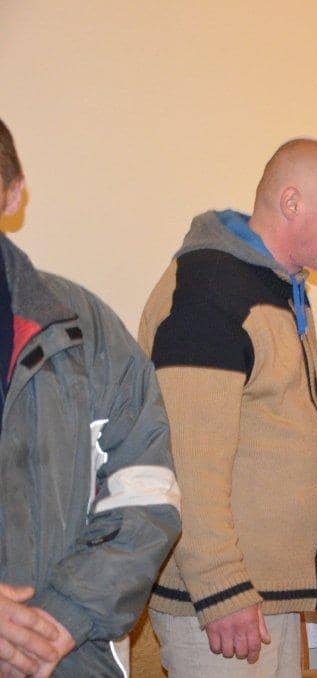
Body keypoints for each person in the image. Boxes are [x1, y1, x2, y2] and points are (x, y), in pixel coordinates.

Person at [138, 138, 317, 677]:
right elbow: (186, 460)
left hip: (263, 596)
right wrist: (221, 589)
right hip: (220, 604)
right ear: (291, 202)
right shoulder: (209, 293)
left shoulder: (274, 287)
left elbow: (272, 422)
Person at [0, 117, 181, 676]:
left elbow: (146, 488)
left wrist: (60, 619)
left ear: (13, 193)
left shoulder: (85, 330)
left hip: (69, 655)